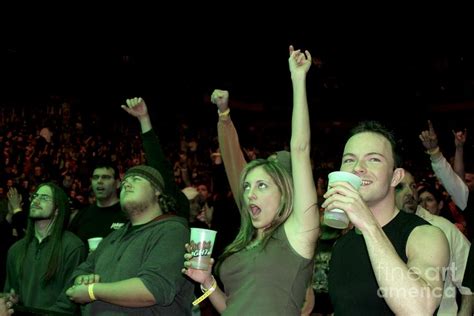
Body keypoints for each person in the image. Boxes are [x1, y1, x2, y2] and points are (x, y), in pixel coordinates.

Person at [183, 45, 319, 314]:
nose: (248, 193)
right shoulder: (246, 241)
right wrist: (208, 282)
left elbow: (300, 148)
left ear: (286, 191)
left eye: (262, 185)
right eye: (247, 186)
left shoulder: (297, 234)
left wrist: (298, 78)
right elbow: (233, 307)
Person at [326, 121, 450, 315]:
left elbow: (418, 310)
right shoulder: (341, 245)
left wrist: (368, 225)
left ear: (395, 177)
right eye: (349, 160)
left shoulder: (425, 235)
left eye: (373, 159)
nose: (358, 168)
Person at [66, 164, 194, 315]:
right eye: (125, 181)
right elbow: (81, 270)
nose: (126, 183)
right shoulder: (113, 236)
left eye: (136, 179)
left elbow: (152, 289)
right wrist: (82, 279)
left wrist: (92, 291)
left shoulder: (172, 231)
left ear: (157, 190)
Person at [395, 170, 472, 315]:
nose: (410, 193)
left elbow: (470, 276)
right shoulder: (377, 231)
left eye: (413, 186)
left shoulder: (442, 227)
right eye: (400, 187)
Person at [4, 182, 86, 314]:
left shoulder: (73, 246)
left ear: (57, 209)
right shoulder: (15, 249)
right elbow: (10, 293)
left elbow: (69, 303)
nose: (36, 200)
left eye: (44, 197)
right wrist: (11, 299)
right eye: (35, 196)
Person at [68, 161, 127, 250]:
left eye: (105, 177)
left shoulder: (127, 214)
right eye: (95, 177)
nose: (99, 181)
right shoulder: (82, 215)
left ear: (118, 183)